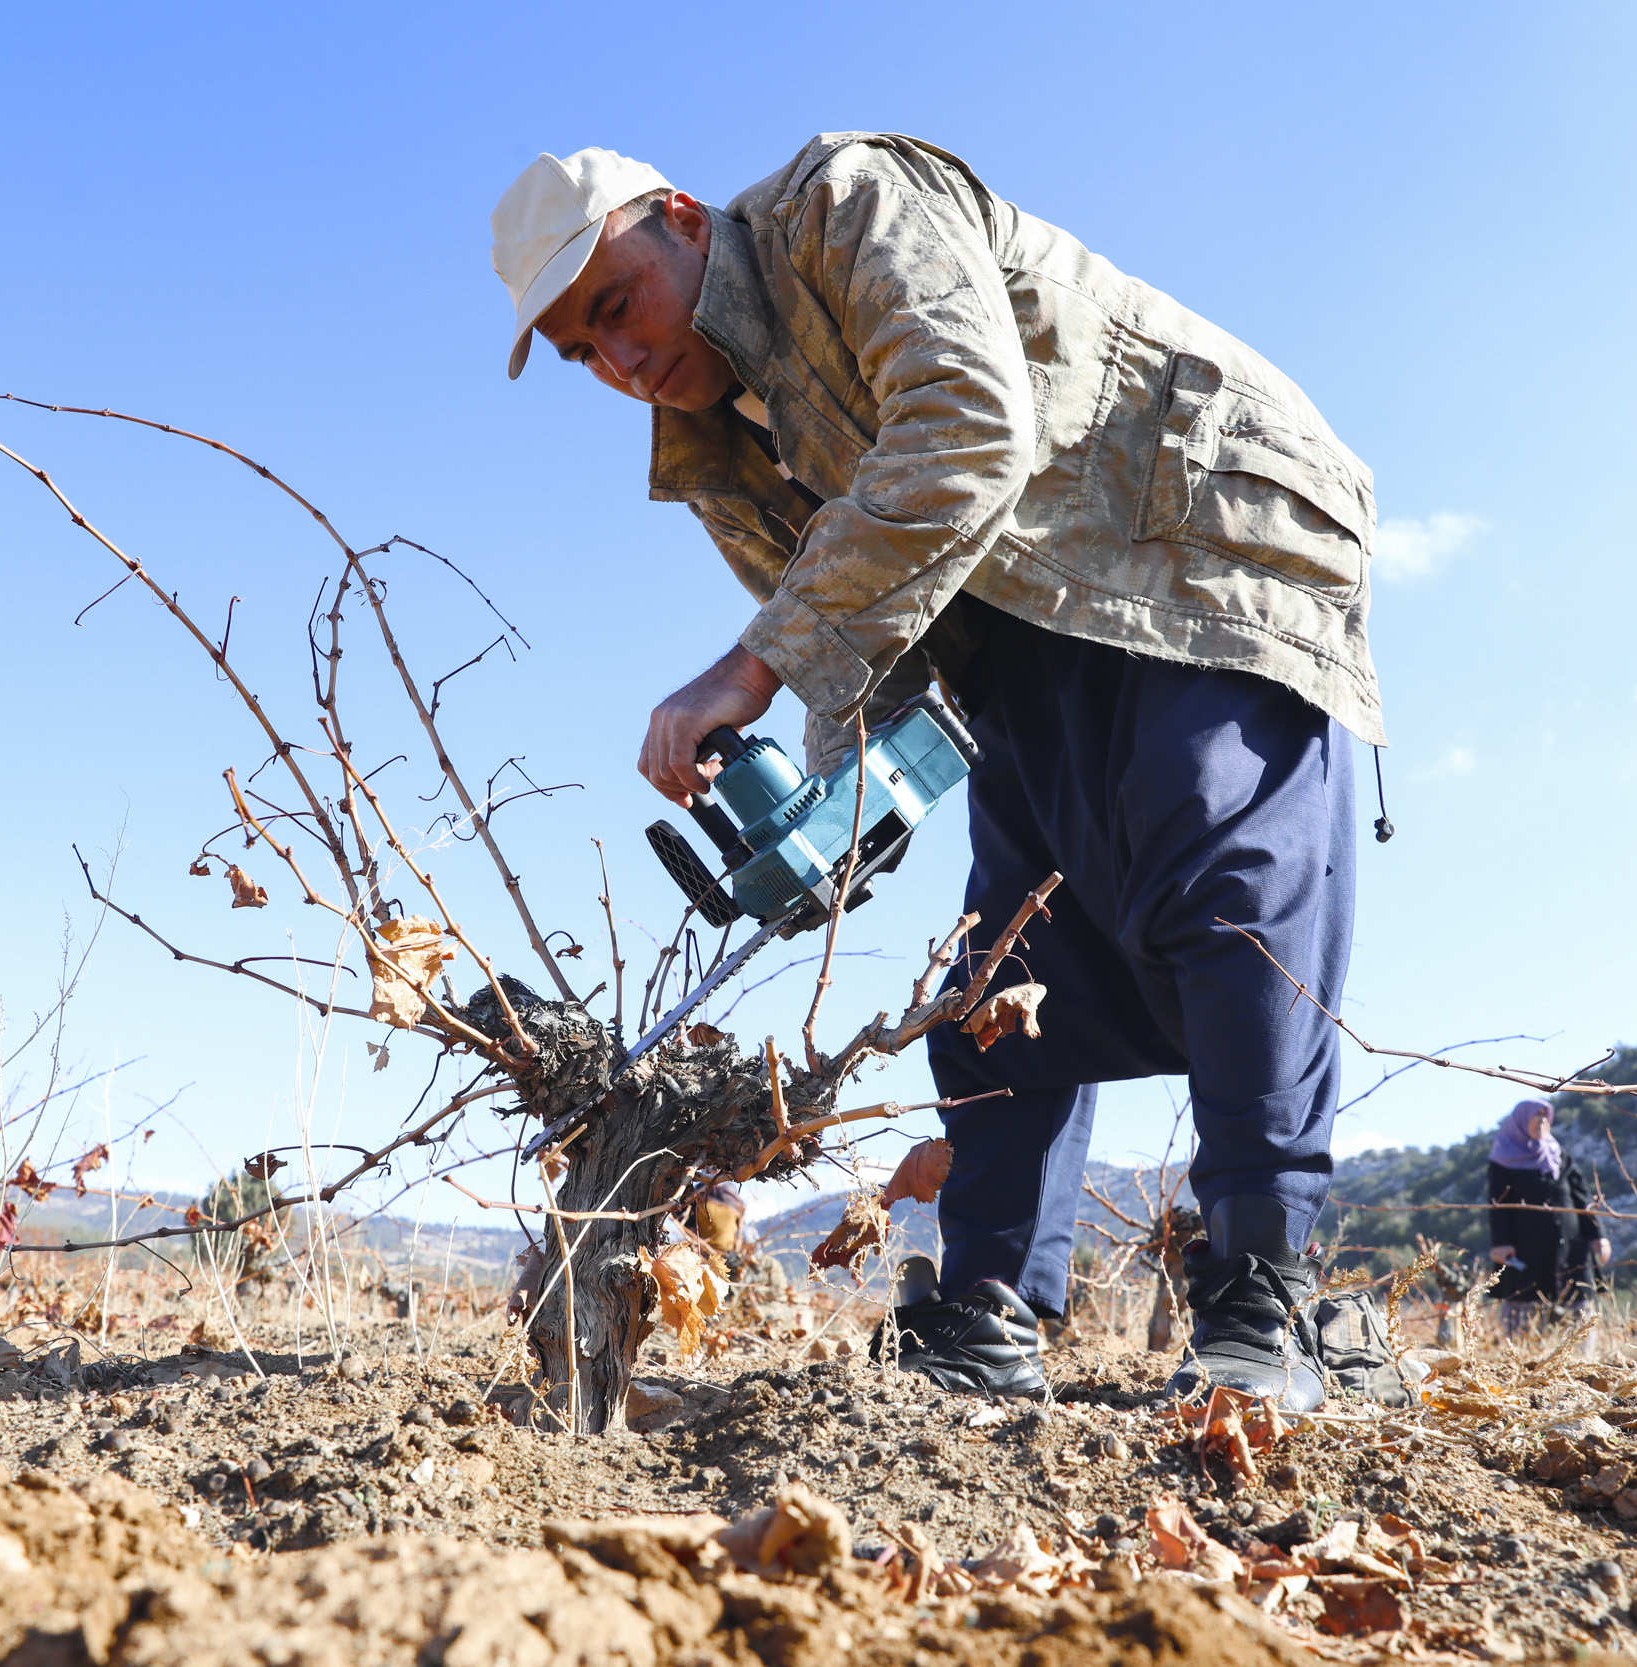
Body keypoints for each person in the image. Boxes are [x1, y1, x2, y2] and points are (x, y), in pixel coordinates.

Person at [491, 136, 1381, 1410]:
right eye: (585, 353)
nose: (620, 362)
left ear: (682, 220)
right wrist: (833, 808)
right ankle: (989, 1309)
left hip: (1193, 533)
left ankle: (1264, 1294)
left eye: (616, 306)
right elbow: (863, 645)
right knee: (1000, 966)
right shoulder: (710, 449)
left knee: (1221, 872)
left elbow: (966, 424)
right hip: (1016, 626)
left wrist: (742, 675)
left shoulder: (845, 206)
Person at [1485, 1098, 1609, 1332]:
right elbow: (1497, 1205)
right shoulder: (1503, 1159)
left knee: (1577, 1303)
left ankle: (1578, 1360)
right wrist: (1501, 1243)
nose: (1542, 1121)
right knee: (1524, 1303)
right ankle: (1522, 1358)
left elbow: (1582, 1197)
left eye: (1546, 1116)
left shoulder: (1560, 1155)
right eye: (1536, 1116)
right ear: (1522, 1120)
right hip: (1525, 1249)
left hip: (1571, 1245)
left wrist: (1597, 1235)